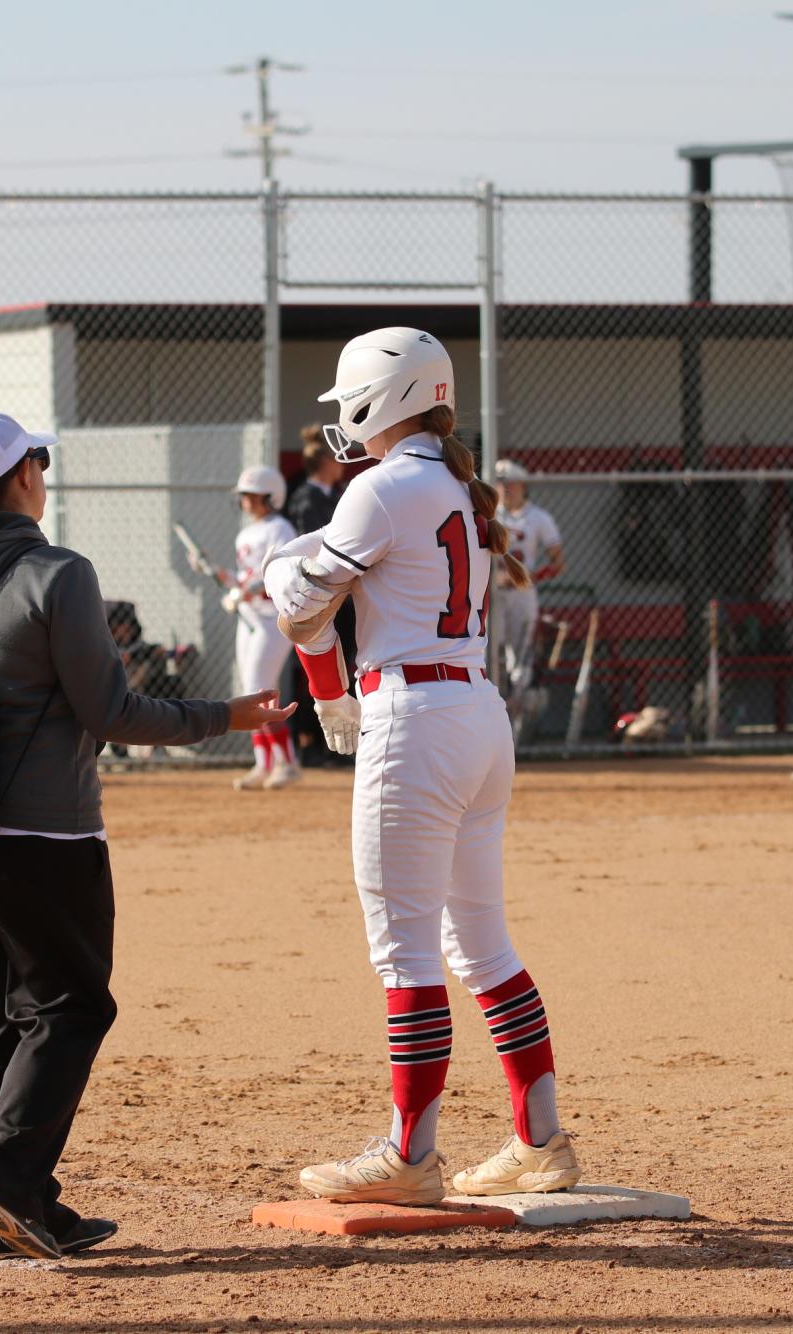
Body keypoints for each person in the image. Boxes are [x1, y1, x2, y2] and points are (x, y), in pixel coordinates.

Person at [0, 411, 292, 1260]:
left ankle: (15, 1211)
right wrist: (226, 714)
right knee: (71, 1005)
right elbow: (112, 712)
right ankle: (5, 1180)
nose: (44, 470)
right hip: (43, 831)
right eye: (37, 458)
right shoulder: (55, 573)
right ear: (22, 477)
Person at [267, 326, 581, 1203]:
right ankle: (540, 1140)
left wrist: (283, 586)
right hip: (474, 713)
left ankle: (410, 1156)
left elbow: (302, 607)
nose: (345, 423)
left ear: (382, 400)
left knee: (406, 950)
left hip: (412, 717)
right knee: (481, 942)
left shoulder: (382, 487)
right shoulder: (453, 483)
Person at [216, 465, 302, 789]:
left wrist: (252, 588)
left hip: (272, 617)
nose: (246, 500)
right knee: (249, 691)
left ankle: (287, 762)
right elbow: (244, 576)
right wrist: (225, 577)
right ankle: (263, 764)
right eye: (244, 495)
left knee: (259, 687)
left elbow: (284, 571)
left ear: (270, 496)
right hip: (249, 618)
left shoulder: (280, 528)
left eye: (251, 495)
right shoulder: (244, 534)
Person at [282, 430, 357, 766]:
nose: (342, 463)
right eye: (336, 458)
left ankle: (342, 743)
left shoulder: (337, 494)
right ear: (324, 462)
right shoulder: (305, 498)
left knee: (347, 663)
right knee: (313, 670)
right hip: (316, 597)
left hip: (345, 596)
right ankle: (310, 743)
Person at [491, 458, 565, 723]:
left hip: (522, 595)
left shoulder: (538, 517)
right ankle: (493, 717)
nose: (504, 489)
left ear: (522, 485)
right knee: (490, 653)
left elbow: (558, 562)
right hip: (492, 595)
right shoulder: (487, 514)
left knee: (521, 659)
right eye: (500, 483)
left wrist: (527, 578)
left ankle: (517, 724)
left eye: (509, 484)